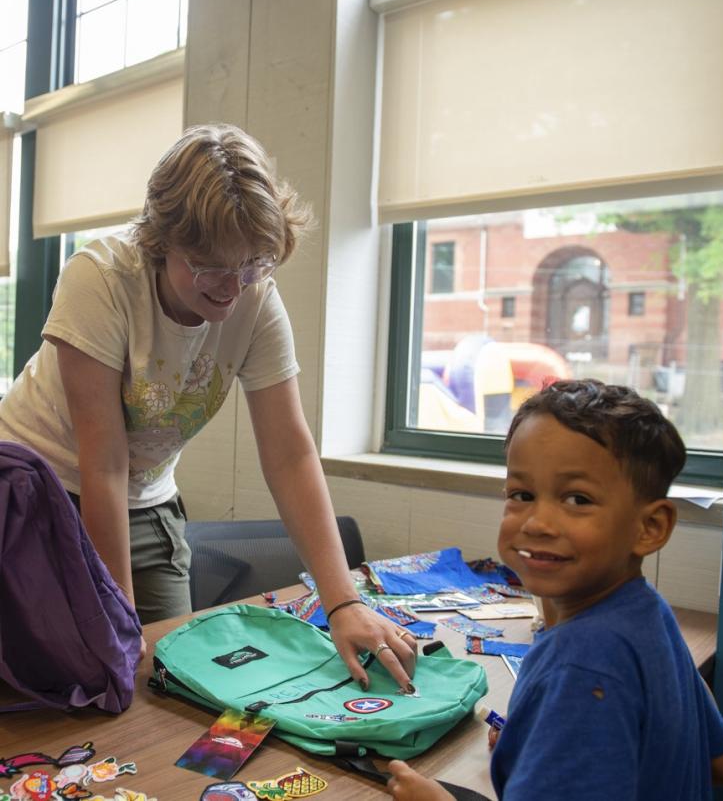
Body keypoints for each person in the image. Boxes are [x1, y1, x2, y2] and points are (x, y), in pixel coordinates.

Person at [0, 123, 416, 691]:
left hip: (148, 501)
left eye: (251, 264)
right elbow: (104, 463)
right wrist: (117, 627)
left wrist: (342, 601)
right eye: (209, 266)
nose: (231, 286)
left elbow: (290, 454)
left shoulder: (255, 296)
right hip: (37, 496)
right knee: (81, 680)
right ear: (162, 238)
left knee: (172, 678)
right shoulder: (100, 278)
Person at [387, 379, 723, 800]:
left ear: (651, 527)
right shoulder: (652, 614)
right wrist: (548, 747)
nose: (537, 523)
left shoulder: (579, 665)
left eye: (577, 500)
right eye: (522, 494)